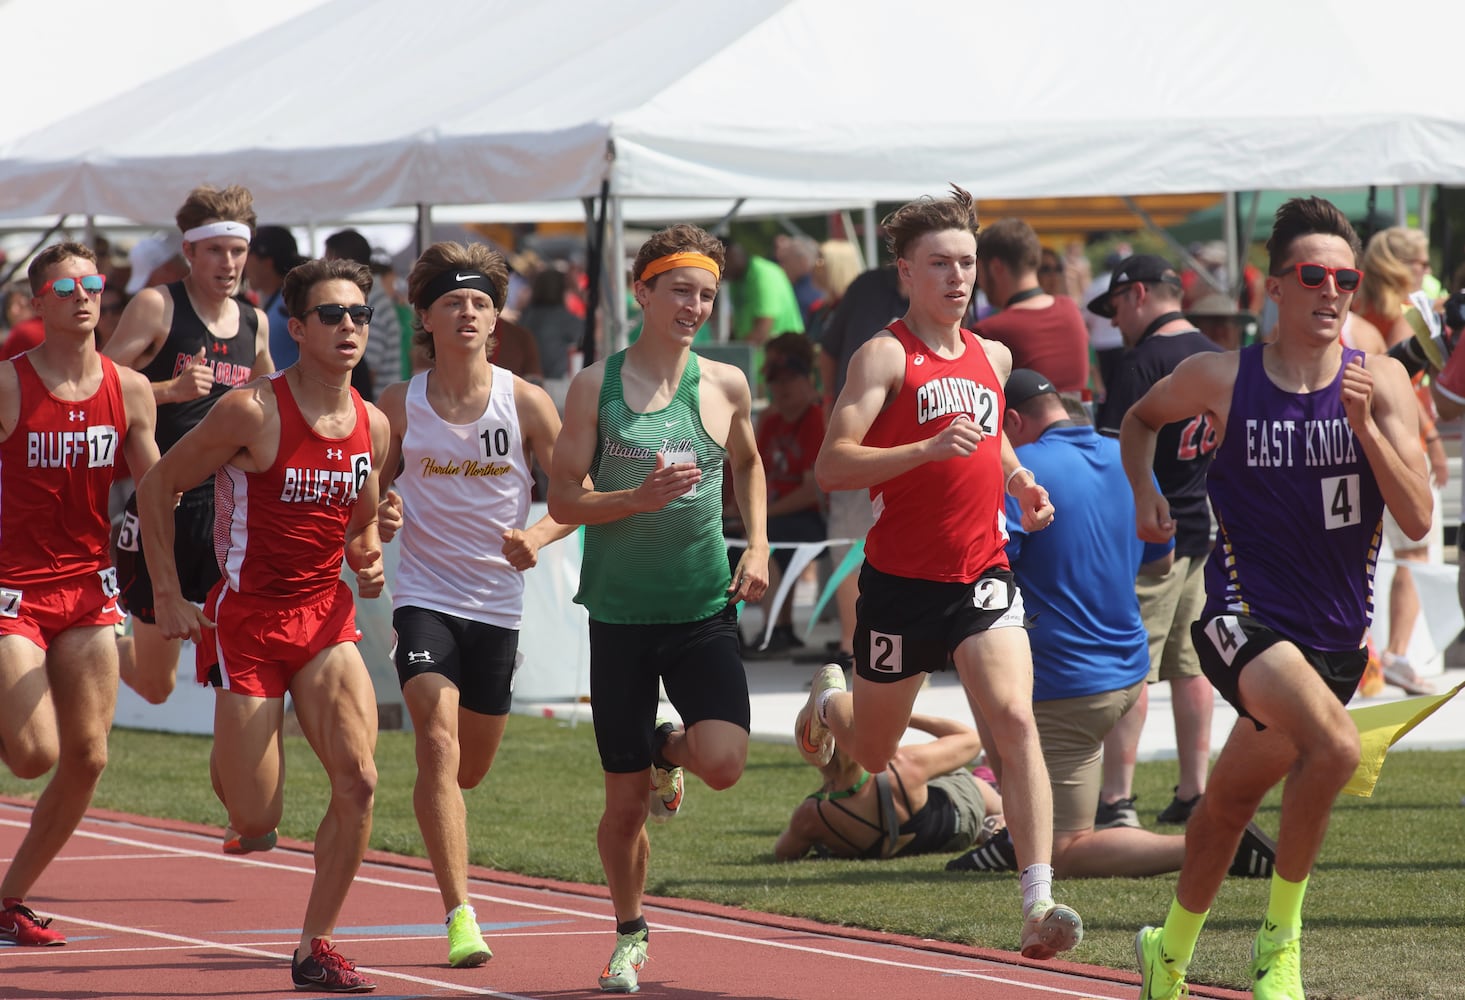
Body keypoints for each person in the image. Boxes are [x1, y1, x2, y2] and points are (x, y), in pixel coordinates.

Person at [1124, 196, 1431, 1000]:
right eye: (1312, 275)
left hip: (1332, 644)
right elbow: (1138, 420)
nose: (1330, 290)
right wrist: (1141, 493)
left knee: (1225, 806)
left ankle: (1167, 950)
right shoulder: (1221, 376)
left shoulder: (1384, 382)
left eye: (1344, 277)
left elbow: (1418, 517)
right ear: (1274, 286)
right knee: (1333, 751)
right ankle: (1279, 945)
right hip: (1239, 619)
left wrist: (1363, 428)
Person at [812, 185, 1081, 962]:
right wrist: (922, 451)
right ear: (905, 271)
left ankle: (1037, 899)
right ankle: (832, 703)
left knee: (1015, 718)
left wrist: (1020, 481)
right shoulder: (884, 353)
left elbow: (990, 440)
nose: (958, 277)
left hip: (980, 574)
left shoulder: (992, 354)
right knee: (869, 753)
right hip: (898, 583)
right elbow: (833, 463)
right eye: (940, 264)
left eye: (966, 262)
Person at [138, 257, 390, 993]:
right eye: (333, 315)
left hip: (323, 617)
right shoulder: (251, 411)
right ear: (296, 327)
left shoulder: (372, 422)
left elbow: (360, 527)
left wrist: (368, 560)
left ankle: (317, 945)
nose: (350, 327)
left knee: (360, 781)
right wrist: (168, 593)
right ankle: (240, 777)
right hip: (246, 620)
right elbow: (158, 485)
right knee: (256, 814)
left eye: (360, 315)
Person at [547, 223, 769, 995]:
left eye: (706, 294)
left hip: (702, 607)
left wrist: (759, 545)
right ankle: (629, 931)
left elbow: (748, 460)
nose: (694, 306)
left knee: (726, 764)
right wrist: (631, 499)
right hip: (619, 618)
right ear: (641, 291)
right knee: (623, 808)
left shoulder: (726, 384)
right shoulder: (593, 388)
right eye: (679, 289)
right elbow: (562, 497)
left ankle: (667, 747)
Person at [946, 371, 1274, 882]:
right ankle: (1012, 835)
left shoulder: (1022, 473)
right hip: (1124, 671)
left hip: (1068, 686)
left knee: (1062, 849)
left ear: (1011, 421)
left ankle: (1215, 842)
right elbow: (1160, 564)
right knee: (983, 676)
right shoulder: (1125, 456)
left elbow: (984, 571)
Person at [375, 242, 572, 968]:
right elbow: (361, 503)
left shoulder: (523, 401)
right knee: (435, 737)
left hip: (498, 606)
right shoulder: (397, 406)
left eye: (481, 302)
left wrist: (541, 532)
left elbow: (575, 496)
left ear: (496, 319)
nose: (467, 312)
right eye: (453, 301)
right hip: (424, 597)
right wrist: (378, 524)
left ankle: (440, 809)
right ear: (424, 316)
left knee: (468, 769)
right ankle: (460, 914)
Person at [0, 244, 160, 947]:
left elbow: (154, 497)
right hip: (12, 589)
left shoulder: (128, 389)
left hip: (88, 586)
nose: (85, 295)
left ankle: (8, 900)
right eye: (67, 286)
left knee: (89, 756)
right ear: (39, 303)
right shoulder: (8, 386)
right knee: (33, 755)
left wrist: (175, 591)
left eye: (94, 283)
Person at [104, 184, 274, 707]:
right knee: (157, 686)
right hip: (163, 503)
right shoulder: (158, 307)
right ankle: (86, 641)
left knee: (242, 666)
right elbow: (95, 390)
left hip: (226, 509)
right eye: (216, 250)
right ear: (190, 251)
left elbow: (274, 408)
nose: (228, 263)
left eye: (238, 251)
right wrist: (167, 392)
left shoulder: (255, 321)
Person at [1091, 254, 1221, 827]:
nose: (1115, 321)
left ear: (1138, 294)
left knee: (1132, 669)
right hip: (1201, 523)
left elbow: (1108, 457)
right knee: (1191, 667)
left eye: (1116, 306)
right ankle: (1196, 791)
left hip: (1148, 536)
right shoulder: (1216, 356)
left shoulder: (1143, 361)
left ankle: (1116, 798)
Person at [1352, 226, 1444, 696]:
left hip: (1354, 439)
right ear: (1400, 264)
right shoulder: (1404, 313)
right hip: (1398, 437)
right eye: (1421, 263)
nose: (1427, 272)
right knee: (1412, 550)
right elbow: (1403, 387)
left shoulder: (1358, 306)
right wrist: (1431, 441)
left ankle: (1369, 652)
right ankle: (1398, 653)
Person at [775, 689, 1003, 862]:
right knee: (961, 775)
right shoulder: (902, 764)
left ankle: (991, 790)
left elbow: (784, 853)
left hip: (930, 839)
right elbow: (970, 740)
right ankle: (998, 803)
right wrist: (900, 715)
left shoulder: (812, 815)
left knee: (944, 776)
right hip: (956, 825)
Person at [817, 263, 910, 668]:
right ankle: (850, 646)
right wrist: (828, 410)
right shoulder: (867, 286)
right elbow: (829, 351)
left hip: (918, 446)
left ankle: (899, 646)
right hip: (861, 442)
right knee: (849, 544)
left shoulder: (949, 290)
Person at [747, 332, 825, 657]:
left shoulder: (817, 419)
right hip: (775, 511)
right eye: (774, 380)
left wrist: (761, 517)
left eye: (789, 379)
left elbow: (812, 492)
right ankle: (726, 625)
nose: (781, 388)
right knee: (723, 535)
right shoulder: (769, 420)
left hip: (812, 517)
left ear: (808, 379)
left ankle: (778, 629)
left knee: (768, 536)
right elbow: (753, 474)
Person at [973, 219, 1090, 394]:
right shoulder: (1070, 308)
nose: (978, 281)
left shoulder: (989, 331)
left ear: (996, 267)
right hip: (1082, 419)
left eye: (978, 270)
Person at [325, 228, 403, 400]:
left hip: (373, 407)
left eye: (327, 259)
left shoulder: (370, 301)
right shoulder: (372, 297)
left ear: (339, 261)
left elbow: (367, 371)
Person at [245, 225, 303, 368]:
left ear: (266, 263)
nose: (243, 265)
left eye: (246, 255)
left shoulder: (289, 305)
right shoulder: (285, 301)